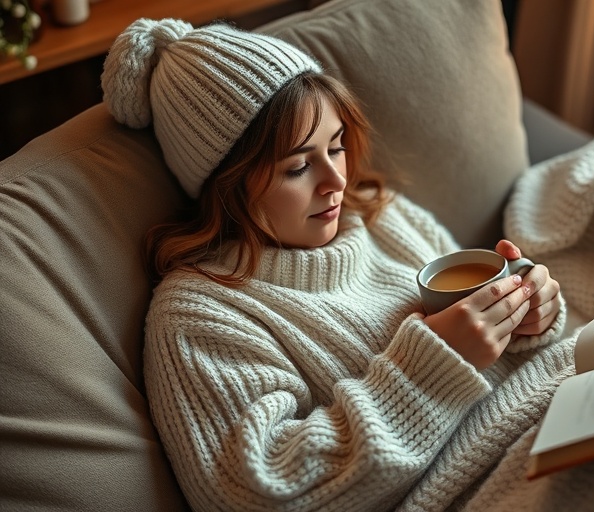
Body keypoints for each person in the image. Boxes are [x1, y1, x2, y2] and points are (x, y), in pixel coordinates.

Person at [102, 18, 566, 511]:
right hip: (494, 479)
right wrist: (435, 366)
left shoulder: (379, 213)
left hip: (560, 400)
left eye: (337, 146)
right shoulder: (199, 314)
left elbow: (499, 339)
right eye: (298, 167)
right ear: (227, 186)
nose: (336, 181)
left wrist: (531, 314)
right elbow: (255, 492)